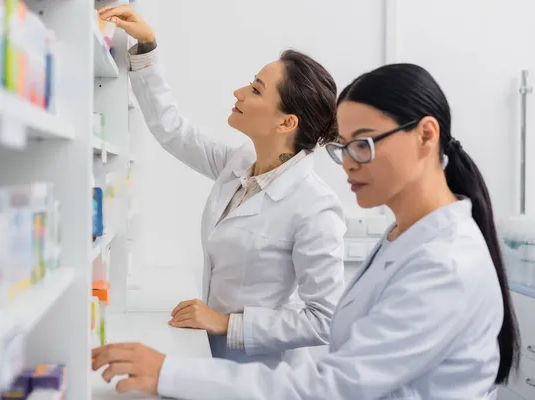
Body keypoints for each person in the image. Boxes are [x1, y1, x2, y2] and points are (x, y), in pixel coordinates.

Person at [91, 61, 521, 399]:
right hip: (238, 367)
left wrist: (172, 370)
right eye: (344, 146)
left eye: (364, 144)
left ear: (426, 136)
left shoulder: (445, 264)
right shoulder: (406, 236)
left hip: (266, 371)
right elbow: (175, 132)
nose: (349, 163)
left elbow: (336, 381)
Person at [97, 5, 346, 368]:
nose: (239, 92)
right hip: (213, 357)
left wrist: (225, 323)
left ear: (286, 122)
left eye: (256, 90)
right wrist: (147, 45)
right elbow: (173, 131)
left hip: (265, 370)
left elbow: (324, 319)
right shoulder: (240, 164)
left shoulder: (315, 206)